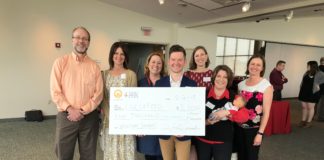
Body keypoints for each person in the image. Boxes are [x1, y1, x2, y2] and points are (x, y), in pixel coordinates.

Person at [50, 26, 103, 160]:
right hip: (66, 117)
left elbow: (99, 94)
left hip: (89, 118)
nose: (81, 41)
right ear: (72, 40)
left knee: (89, 155)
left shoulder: (94, 67)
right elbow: (55, 91)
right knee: (63, 154)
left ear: (89, 42)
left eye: (85, 38)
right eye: (78, 37)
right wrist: (70, 109)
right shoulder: (60, 62)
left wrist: (82, 110)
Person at [195, 65, 249, 160]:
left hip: (223, 142)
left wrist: (227, 112)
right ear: (214, 77)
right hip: (202, 140)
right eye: (218, 76)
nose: (221, 79)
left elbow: (245, 116)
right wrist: (206, 122)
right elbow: (193, 116)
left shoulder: (234, 97)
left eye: (225, 77)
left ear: (229, 80)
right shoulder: (202, 94)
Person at [155, 44, 197, 160]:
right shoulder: (159, 84)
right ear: (169, 61)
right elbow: (156, 109)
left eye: (180, 60)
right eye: (173, 59)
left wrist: (187, 128)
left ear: (184, 62)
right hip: (164, 133)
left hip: (183, 133)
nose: (176, 63)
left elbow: (194, 111)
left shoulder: (192, 84)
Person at [101, 42, 137, 160]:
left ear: (125, 56)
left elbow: (133, 98)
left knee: (126, 153)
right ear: (112, 55)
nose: (119, 56)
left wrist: (123, 118)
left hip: (126, 122)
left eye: (122, 54)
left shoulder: (131, 74)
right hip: (109, 121)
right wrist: (112, 116)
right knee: (111, 153)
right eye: (116, 53)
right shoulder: (104, 74)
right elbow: (103, 98)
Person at [235, 54, 273, 160]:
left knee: (251, 157)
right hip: (239, 128)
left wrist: (260, 133)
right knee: (241, 156)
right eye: (252, 64)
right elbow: (238, 107)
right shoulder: (241, 85)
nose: (254, 67)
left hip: (254, 130)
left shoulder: (266, 86)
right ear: (248, 66)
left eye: (258, 65)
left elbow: (266, 112)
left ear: (262, 68)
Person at [184, 46, 212, 160]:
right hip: (192, 115)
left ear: (206, 56)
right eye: (197, 55)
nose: (200, 57)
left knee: (205, 147)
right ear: (193, 58)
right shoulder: (187, 74)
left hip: (208, 114)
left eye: (202, 54)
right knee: (192, 145)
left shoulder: (213, 74)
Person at [136, 52, 166, 160]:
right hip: (146, 129)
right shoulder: (140, 83)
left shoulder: (168, 83)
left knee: (164, 155)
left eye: (159, 63)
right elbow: (135, 107)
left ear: (162, 66)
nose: (156, 65)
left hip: (163, 128)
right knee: (149, 156)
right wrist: (137, 126)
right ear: (148, 64)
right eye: (153, 62)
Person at [298, 61, 322, 128]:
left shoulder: (319, 74)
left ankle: (309, 122)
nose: (307, 67)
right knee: (304, 107)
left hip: (312, 93)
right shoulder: (306, 73)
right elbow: (302, 82)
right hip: (304, 92)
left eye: (308, 65)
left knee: (310, 107)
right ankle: (303, 120)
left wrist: (319, 86)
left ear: (312, 66)